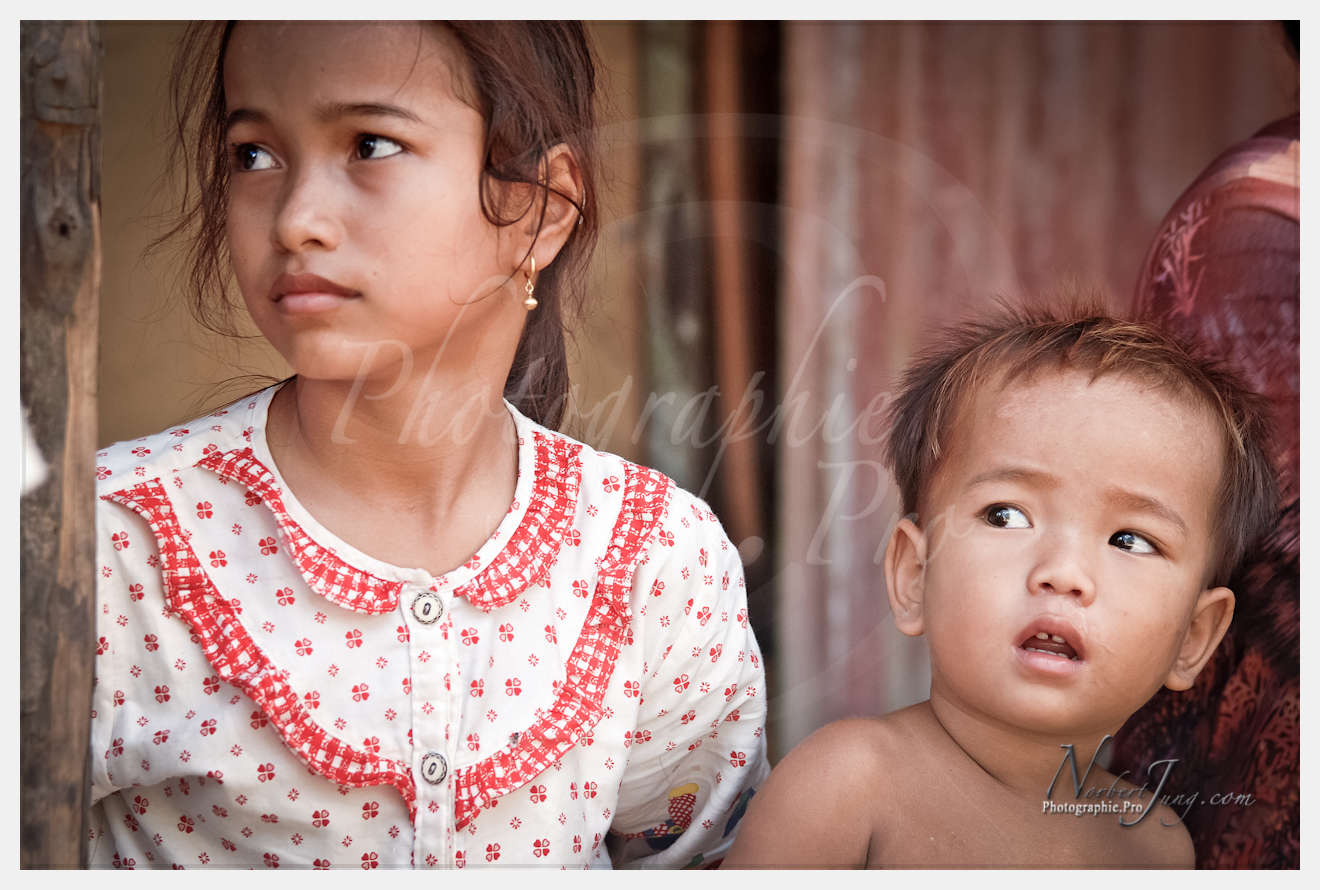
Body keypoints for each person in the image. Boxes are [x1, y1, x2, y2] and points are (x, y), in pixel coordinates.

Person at [89, 22, 766, 869]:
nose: (297, 219)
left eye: (370, 144)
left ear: (542, 208)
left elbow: (686, 859)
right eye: (252, 154)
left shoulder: (655, 558)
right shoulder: (115, 548)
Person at [721, 303, 1275, 868]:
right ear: (916, 575)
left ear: (1193, 638)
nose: (1062, 573)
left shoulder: (1156, 845)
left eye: (1130, 539)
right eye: (1006, 515)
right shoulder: (849, 785)